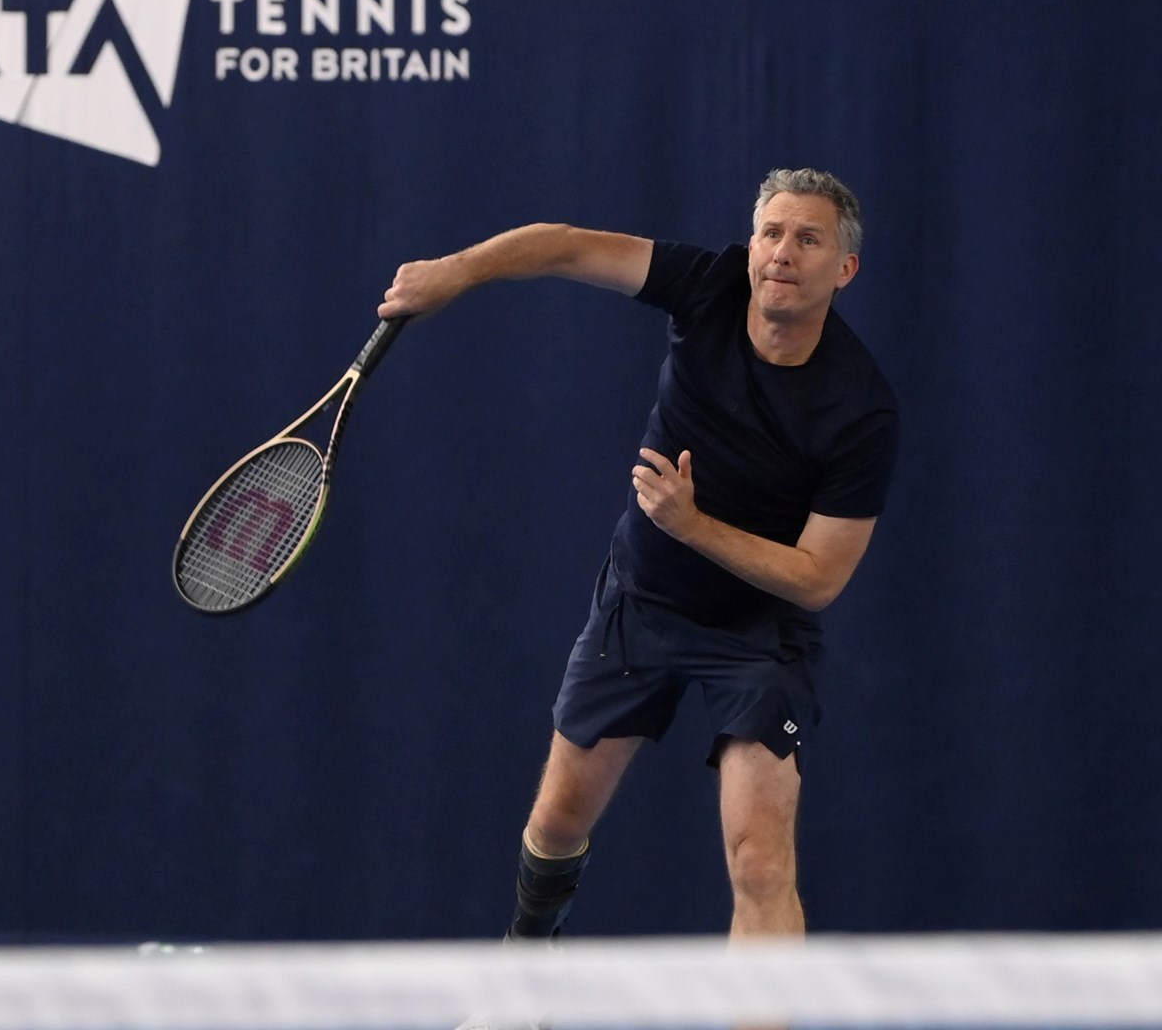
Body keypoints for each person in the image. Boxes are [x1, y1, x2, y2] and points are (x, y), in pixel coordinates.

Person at [378, 168, 900, 943]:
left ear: (844, 269)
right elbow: (564, 248)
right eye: (771, 233)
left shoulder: (860, 407)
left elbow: (819, 578)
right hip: (644, 602)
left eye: (808, 239)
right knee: (556, 823)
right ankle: (523, 987)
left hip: (759, 634)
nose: (781, 253)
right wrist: (457, 271)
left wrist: (692, 526)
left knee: (761, 864)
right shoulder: (706, 283)